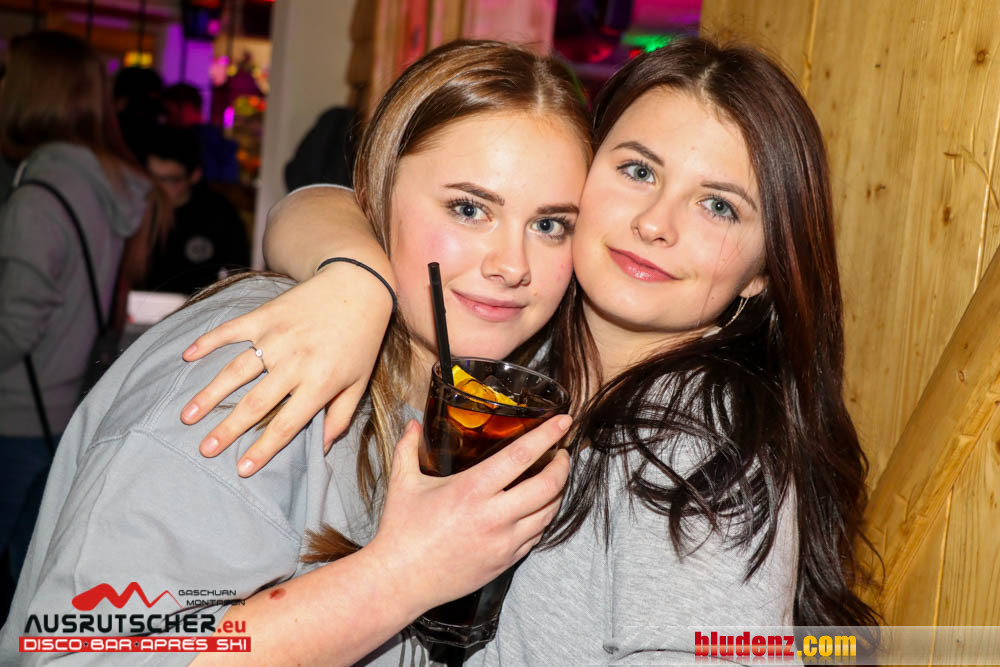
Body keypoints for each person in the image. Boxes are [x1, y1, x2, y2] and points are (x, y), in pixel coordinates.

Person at [179, 37, 880, 662]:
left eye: (718, 205)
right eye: (639, 171)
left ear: (763, 271)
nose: (655, 223)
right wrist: (355, 278)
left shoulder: (700, 446)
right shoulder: (526, 350)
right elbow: (316, 203)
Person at [0, 40, 590, 665]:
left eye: (550, 224)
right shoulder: (261, 360)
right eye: (469, 209)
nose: (512, 266)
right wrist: (402, 575)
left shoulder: (518, 388)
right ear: (379, 191)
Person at [0, 31, 154, 594]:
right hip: (64, 410)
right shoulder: (104, 184)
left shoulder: (40, 195)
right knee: (29, 582)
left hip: (14, 414)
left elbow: (16, 325)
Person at [144, 125, 250, 294]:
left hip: (200, 307)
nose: (158, 188)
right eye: (152, 177)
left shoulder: (219, 215)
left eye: (170, 180)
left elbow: (238, 274)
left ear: (194, 176)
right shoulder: (136, 210)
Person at [162, 83, 239, 184]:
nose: (167, 119)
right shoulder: (216, 140)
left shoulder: (196, 140)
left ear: (186, 107)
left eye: (169, 112)